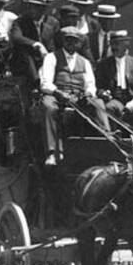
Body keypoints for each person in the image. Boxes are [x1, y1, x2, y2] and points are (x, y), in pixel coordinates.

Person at [40, 27, 111, 166]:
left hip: (78, 97)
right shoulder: (52, 57)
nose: (72, 43)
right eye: (68, 40)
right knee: (48, 107)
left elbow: (91, 85)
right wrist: (58, 93)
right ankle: (53, 153)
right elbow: (45, 83)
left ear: (80, 44)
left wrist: (88, 94)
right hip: (57, 96)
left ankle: (108, 139)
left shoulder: (85, 62)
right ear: (64, 41)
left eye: (75, 41)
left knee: (98, 103)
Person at [9, 0, 57, 95]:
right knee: (24, 50)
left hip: (46, 61)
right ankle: (36, 83)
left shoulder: (53, 22)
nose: (32, 10)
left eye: (37, 7)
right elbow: (16, 37)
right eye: (30, 6)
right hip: (25, 64)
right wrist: (36, 44)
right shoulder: (20, 21)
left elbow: (57, 44)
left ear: (44, 8)